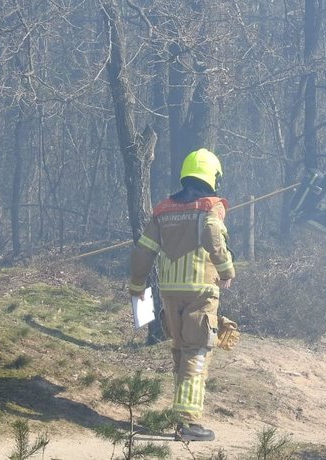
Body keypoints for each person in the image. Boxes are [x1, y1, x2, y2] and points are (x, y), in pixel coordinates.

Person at [129, 148, 236, 442]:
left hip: (169, 291)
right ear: (213, 176)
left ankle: (180, 415)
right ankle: (189, 423)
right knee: (197, 351)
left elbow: (144, 250)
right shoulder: (210, 207)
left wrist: (137, 285)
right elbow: (212, 234)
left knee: (180, 350)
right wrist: (226, 270)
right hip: (201, 290)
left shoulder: (163, 210)